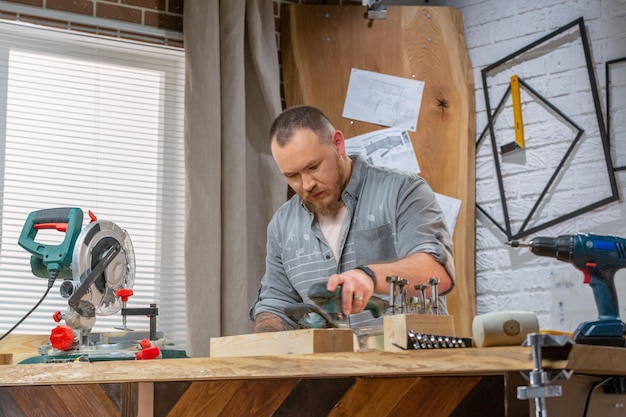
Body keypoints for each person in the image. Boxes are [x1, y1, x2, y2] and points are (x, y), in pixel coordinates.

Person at [249, 105, 455, 332]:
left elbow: (436, 272)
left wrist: (367, 276)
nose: (306, 184)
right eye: (292, 176)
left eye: (313, 167)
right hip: (335, 367)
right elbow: (276, 302)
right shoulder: (281, 225)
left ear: (338, 143)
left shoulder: (403, 191)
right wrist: (265, 337)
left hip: (411, 364)